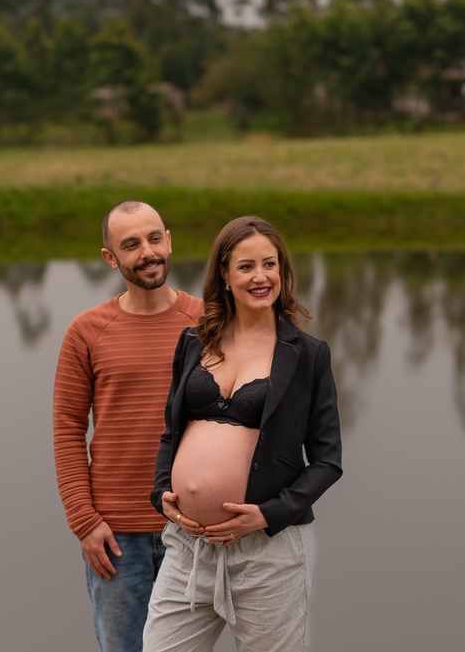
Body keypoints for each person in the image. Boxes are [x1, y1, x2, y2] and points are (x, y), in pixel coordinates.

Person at [143, 216, 343, 652]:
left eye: (269, 264)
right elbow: (169, 434)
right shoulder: (193, 342)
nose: (260, 277)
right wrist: (162, 495)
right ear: (224, 274)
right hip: (187, 551)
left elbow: (327, 462)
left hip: (267, 556)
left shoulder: (307, 355)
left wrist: (269, 514)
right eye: (246, 266)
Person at [54, 200, 205, 652]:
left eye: (155, 238)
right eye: (131, 244)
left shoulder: (207, 322)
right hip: (116, 537)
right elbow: (67, 429)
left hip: (191, 527)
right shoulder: (86, 331)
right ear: (110, 258)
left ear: (169, 241)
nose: (147, 253)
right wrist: (84, 522)